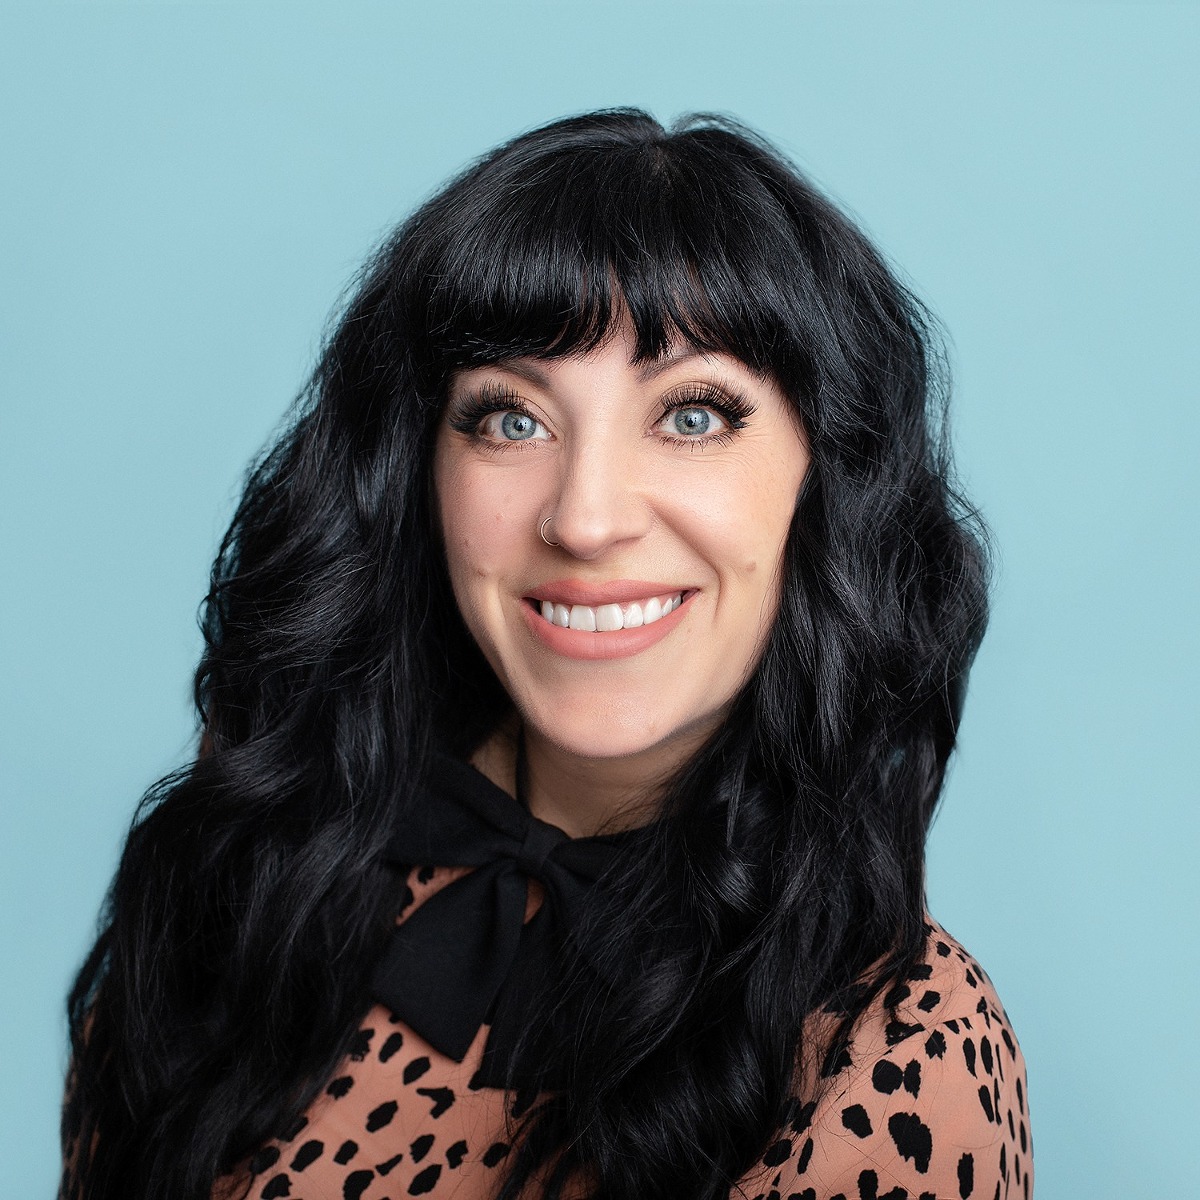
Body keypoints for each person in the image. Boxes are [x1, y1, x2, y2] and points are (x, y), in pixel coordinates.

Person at [60, 109, 1033, 1200]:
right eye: (511, 420)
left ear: (827, 482)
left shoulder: (898, 1051)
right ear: (416, 473)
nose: (583, 518)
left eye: (695, 416)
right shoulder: (252, 871)